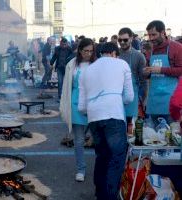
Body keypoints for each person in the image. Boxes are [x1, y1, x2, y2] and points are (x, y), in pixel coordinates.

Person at [78, 42, 134, 200]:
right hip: (114, 115)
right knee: (116, 158)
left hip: (94, 117)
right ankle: (109, 196)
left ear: (101, 53)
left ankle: (100, 192)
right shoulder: (122, 64)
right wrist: (114, 98)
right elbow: (129, 97)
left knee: (102, 155)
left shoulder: (87, 70)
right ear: (115, 53)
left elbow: (82, 107)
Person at [60, 38, 95, 182]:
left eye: (91, 51)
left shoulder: (97, 64)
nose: (88, 53)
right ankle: (81, 169)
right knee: (79, 140)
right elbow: (66, 86)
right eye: (85, 51)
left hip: (94, 106)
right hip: (75, 105)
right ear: (80, 50)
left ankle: (101, 169)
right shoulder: (72, 64)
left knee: (98, 140)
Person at [144, 20, 182, 124]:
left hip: (170, 102)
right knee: (154, 138)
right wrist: (146, 73)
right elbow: (148, 73)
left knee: (172, 136)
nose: (151, 38)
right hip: (154, 102)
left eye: (154, 34)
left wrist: (161, 70)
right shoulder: (150, 50)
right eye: (149, 35)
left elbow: (180, 70)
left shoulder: (176, 47)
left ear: (162, 32)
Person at [118, 27, 147, 134]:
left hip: (132, 96)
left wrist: (144, 99)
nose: (122, 42)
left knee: (130, 129)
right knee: (118, 126)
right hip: (116, 95)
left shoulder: (139, 56)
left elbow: (143, 81)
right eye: (119, 40)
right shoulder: (115, 54)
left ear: (131, 39)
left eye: (125, 40)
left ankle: (129, 150)